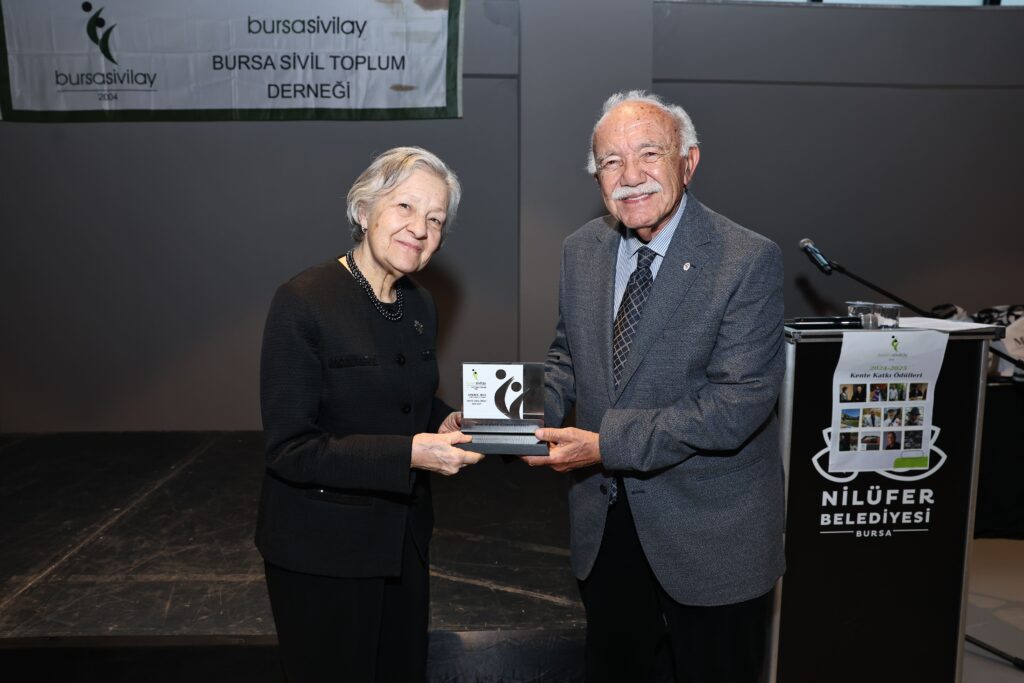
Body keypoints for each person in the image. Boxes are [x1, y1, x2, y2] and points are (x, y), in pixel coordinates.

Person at [524, 91, 785, 682]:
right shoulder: (581, 250)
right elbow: (568, 356)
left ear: (688, 162)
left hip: (711, 536)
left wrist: (604, 445)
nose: (630, 176)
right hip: (607, 527)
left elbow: (736, 404)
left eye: (649, 154)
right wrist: (511, 417)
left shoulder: (746, 259)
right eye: (611, 162)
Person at [255, 147, 482, 682]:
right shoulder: (303, 301)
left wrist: (442, 420)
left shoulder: (419, 304)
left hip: (402, 543)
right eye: (405, 206)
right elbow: (290, 448)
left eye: (435, 219)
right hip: (323, 552)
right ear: (363, 210)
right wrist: (410, 454)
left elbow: (406, 401)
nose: (420, 229)